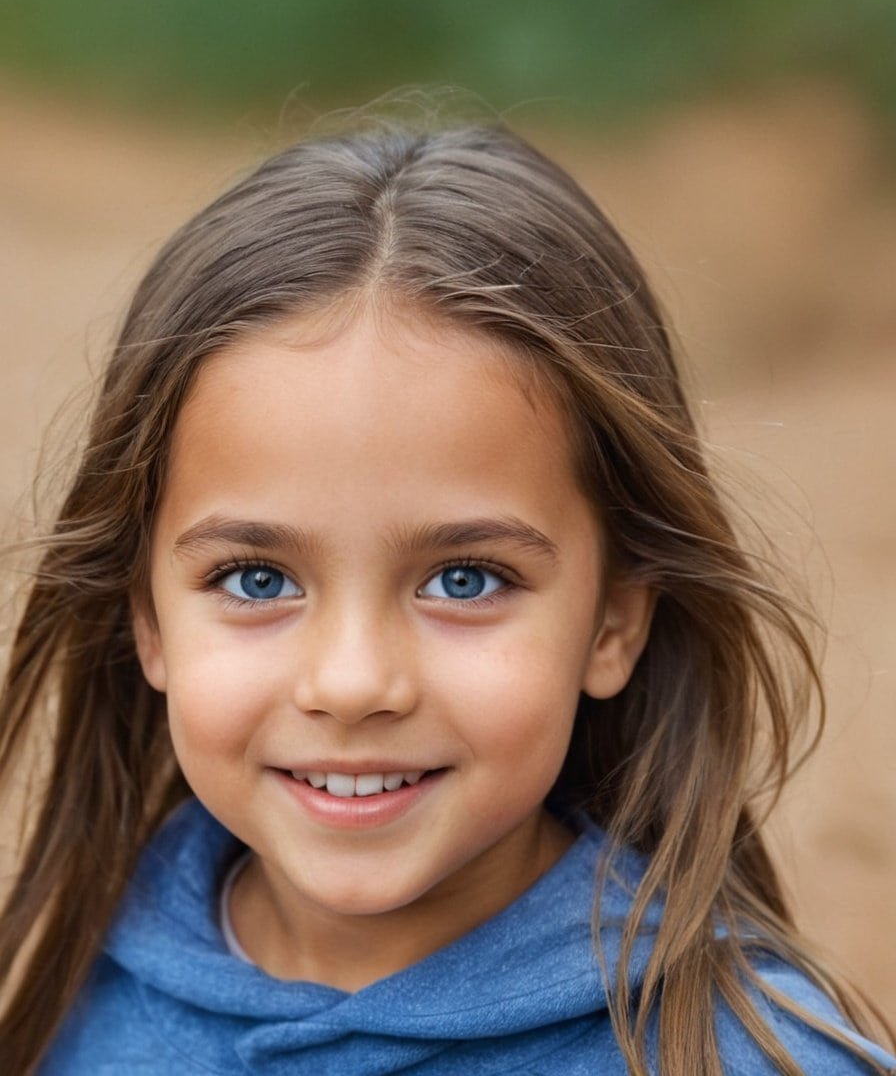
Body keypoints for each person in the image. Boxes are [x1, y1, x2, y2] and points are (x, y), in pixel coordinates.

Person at [0, 114, 893, 1076]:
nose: (351, 684)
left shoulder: (748, 1057)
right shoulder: (65, 1014)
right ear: (149, 620)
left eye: (464, 580)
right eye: (256, 579)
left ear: (614, 619)